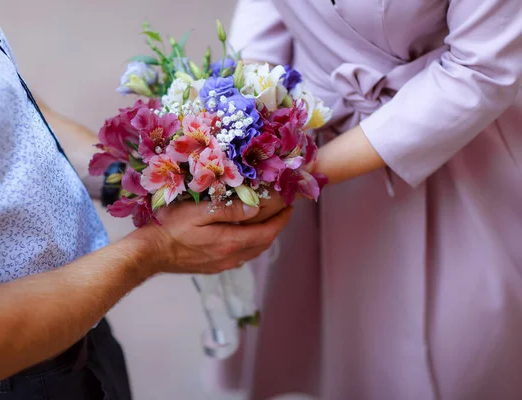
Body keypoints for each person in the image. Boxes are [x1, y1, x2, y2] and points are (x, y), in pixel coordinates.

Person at [0, 0, 293, 398]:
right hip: (4, 378)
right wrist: (157, 248)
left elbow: (1, 110)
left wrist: (148, 176)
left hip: (77, 320)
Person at [219, 0, 522, 399]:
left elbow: (482, 67)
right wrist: (244, 110)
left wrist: (304, 174)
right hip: (299, 133)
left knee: (461, 353)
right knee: (317, 341)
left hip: (450, 142)